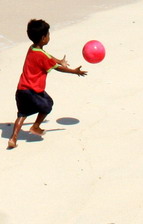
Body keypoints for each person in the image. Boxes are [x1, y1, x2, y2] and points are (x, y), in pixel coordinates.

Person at [8, 18, 87, 149]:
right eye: (48, 34)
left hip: (21, 90)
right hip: (33, 91)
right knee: (48, 104)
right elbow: (56, 67)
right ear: (44, 38)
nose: (49, 36)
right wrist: (74, 71)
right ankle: (36, 126)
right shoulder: (42, 57)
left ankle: (13, 138)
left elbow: (48, 57)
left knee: (22, 114)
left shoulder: (32, 49)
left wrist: (59, 60)